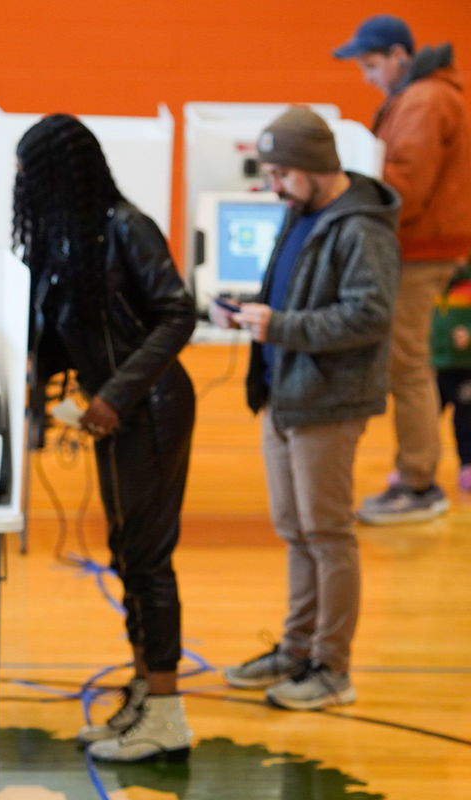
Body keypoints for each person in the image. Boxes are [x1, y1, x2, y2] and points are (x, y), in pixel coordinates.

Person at [14, 114, 197, 762]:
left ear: (65, 174)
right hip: (115, 410)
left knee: (147, 559)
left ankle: (169, 712)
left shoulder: (127, 226)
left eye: (32, 174)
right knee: (127, 553)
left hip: (152, 406)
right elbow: (64, 329)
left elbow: (179, 312)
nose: (23, 186)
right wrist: (42, 406)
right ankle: (147, 691)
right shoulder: (71, 237)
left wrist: (116, 395)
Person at [215, 107, 400, 710]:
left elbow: (370, 315)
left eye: (283, 172)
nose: (274, 184)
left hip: (327, 400)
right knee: (295, 531)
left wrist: (282, 325)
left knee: (327, 534)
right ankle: (296, 649)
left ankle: (331, 667)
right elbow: (286, 296)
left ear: (317, 168)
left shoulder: (362, 228)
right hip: (283, 394)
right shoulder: (300, 213)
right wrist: (245, 310)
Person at [333, 14, 471, 524]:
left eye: (371, 65)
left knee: (407, 364)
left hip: (420, 250)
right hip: (421, 247)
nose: (367, 76)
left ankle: (418, 483)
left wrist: (344, 182)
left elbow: (404, 189)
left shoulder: (425, 100)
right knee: (408, 363)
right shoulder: (422, 95)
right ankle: (416, 473)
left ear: (399, 55)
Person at [431, 263, 471, 492]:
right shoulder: (431, 282)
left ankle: (468, 464)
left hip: (465, 367)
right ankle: (416, 467)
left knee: (465, 420)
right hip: (434, 366)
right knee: (425, 417)